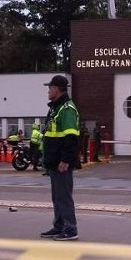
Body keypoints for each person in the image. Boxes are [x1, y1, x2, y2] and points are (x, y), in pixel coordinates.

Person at [39, 75, 80, 241]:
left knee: (63, 196)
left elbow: (71, 138)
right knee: (57, 196)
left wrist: (66, 160)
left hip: (61, 161)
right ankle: (59, 226)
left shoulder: (67, 109)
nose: (48, 91)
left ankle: (71, 229)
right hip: (54, 160)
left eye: (50, 88)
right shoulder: (56, 108)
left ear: (56, 89)